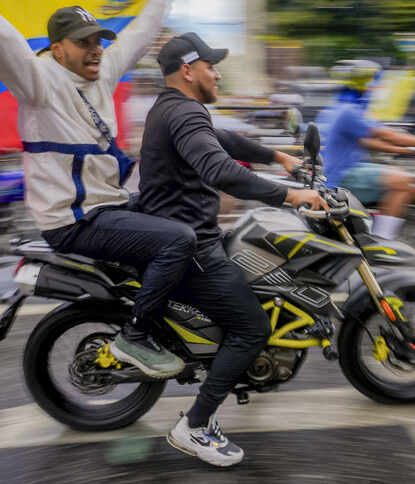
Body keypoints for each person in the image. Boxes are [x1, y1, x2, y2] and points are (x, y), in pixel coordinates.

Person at [0, 0, 196, 378]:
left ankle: (182, 319)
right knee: (178, 240)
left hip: (107, 206)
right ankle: (137, 336)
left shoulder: (102, 74)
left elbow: (137, 37)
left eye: (98, 41)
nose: (95, 49)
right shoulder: (38, 82)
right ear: (57, 49)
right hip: (75, 220)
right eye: (82, 42)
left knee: (189, 212)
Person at [137, 32, 329, 466]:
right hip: (190, 245)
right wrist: (291, 195)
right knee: (252, 328)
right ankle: (195, 425)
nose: (218, 74)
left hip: (186, 232)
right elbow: (220, 169)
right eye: (211, 66)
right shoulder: (183, 111)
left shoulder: (172, 108)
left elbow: (224, 139)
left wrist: (280, 157)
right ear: (188, 70)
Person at [316, 100, 415, 240]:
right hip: (339, 178)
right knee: (406, 182)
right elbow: (385, 134)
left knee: (396, 173)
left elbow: (368, 141)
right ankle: (382, 239)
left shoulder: (338, 108)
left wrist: (409, 150)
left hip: (338, 171)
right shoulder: (349, 111)